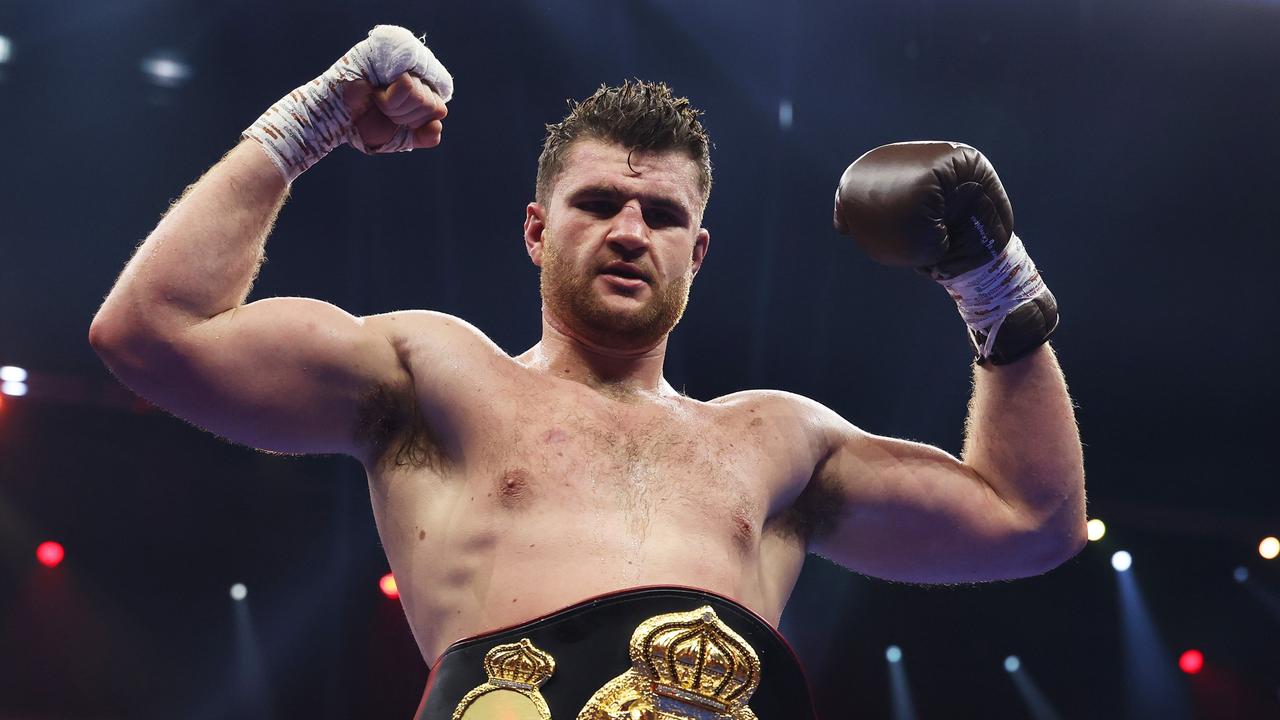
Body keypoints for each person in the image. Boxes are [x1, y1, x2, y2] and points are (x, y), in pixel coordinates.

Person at [89, 26, 1085, 719]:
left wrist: (992, 282)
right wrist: (308, 123)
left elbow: (1028, 523)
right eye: (596, 202)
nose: (626, 230)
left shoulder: (778, 442)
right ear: (534, 229)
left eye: (659, 216)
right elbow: (153, 333)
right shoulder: (436, 377)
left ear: (697, 253)